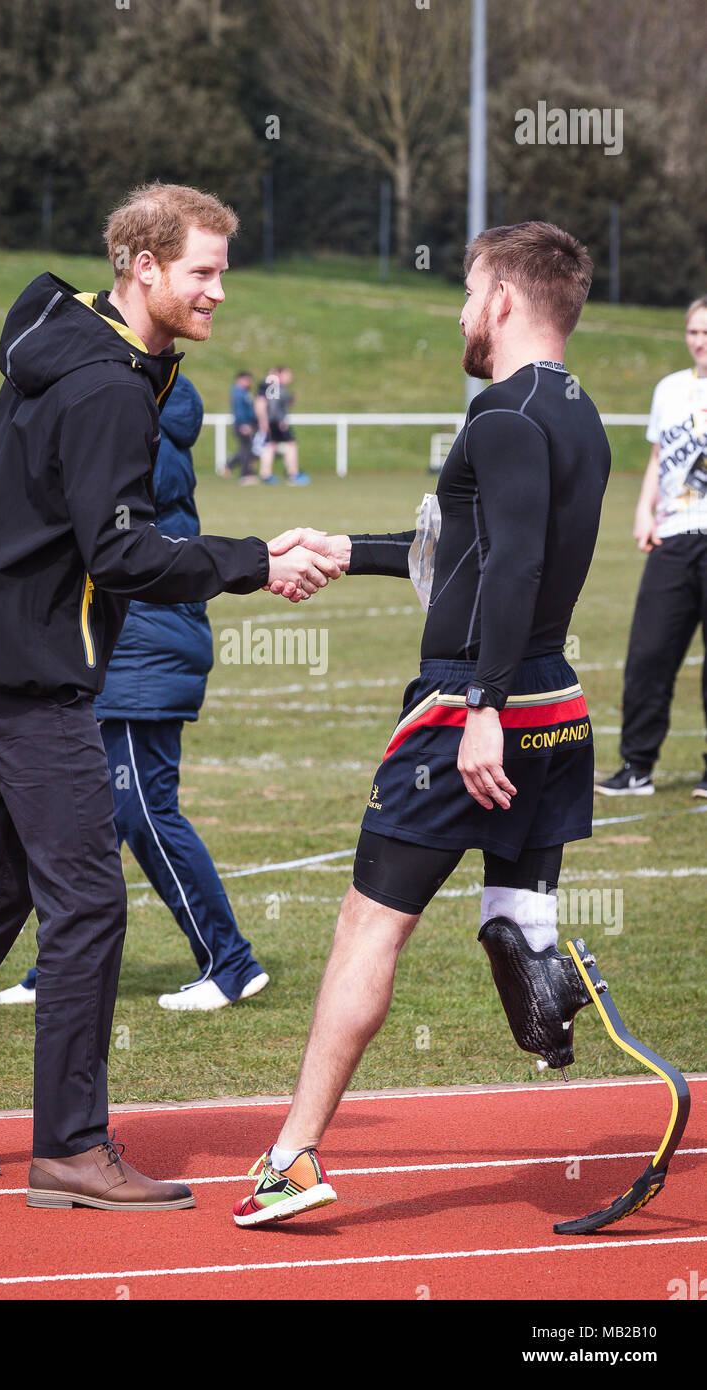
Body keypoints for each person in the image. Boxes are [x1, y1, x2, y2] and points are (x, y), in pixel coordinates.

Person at [0, 182, 339, 1215]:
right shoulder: (111, 384)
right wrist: (257, 559)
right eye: (202, 271)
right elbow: (121, 552)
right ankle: (71, 1147)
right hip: (35, 670)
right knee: (87, 898)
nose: (219, 290)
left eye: (221, 269)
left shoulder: (58, 327)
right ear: (144, 269)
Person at [234, 220, 612, 1227]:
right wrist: (345, 545)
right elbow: (475, 548)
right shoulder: (575, 413)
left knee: (368, 926)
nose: (457, 310)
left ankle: (293, 1157)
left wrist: (479, 706)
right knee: (508, 923)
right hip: (553, 705)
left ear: (499, 299)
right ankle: (547, 992)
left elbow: (515, 563)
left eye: (465, 291)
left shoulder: (500, 413)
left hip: (471, 707)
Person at [0, 366, 269, 1012]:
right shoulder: (141, 421)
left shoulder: (141, 432)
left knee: (144, 809)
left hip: (143, 639)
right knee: (92, 817)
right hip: (131, 636)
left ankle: (230, 961)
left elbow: (113, 533)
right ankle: (59, 967)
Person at [596, 296, 707, 799]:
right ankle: (636, 768)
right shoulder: (670, 389)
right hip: (674, 536)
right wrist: (644, 510)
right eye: (693, 332)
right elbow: (660, 456)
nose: (700, 341)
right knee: (648, 654)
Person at [258, 366, 310, 486]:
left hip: (274, 421)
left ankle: (267, 474)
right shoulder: (274, 387)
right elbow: (269, 404)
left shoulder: (277, 388)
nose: (289, 377)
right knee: (289, 445)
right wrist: (277, 421)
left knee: (272, 446)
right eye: (287, 374)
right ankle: (292, 474)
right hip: (276, 422)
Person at [225, 369, 258, 483]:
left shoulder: (244, 391)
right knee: (246, 449)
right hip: (243, 424)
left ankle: (228, 466)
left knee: (246, 448)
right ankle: (245, 475)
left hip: (248, 424)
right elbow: (239, 410)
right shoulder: (238, 392)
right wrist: (244, 424)